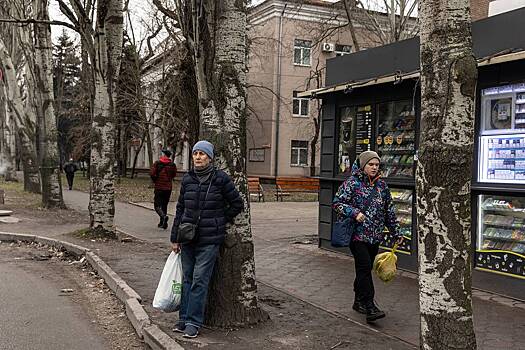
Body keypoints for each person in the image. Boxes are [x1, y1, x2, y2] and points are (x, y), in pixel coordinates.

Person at [170, 140, 244, 338]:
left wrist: (221, 220)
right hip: (187, 238)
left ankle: (194, 323)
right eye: (195, 154)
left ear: (210, 158)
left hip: (209, 239)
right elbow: (180, 209)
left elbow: (237, 203)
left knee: (199, 280)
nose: (198, 157)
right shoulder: (187, 179)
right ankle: (183, 319)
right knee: (186, 279)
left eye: (202, 154)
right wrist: (175, 237)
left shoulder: (220, 179)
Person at [332, 150, 403, 323]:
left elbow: (389, 212)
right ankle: (370, 306)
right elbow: (337, 203)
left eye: (377, 165)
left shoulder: (382, 186)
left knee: (364, 270)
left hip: (375, 236)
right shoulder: (352, 183)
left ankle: (358, 301)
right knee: (364, 268)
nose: (374, 167)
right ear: (363, 165)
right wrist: (354, 212)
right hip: (357, 236)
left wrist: (396, 233)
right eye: (371, 164)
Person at [150, 149, 177, 229]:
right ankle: (163, 223)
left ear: (164, 155)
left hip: (159, 187)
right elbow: (174, 174)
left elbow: (152, 173)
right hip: (168, 187)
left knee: (157, 205)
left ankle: (163, 217)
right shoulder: (172, 165)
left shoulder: (157, 163)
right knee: (164, 205)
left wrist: (155, 180)